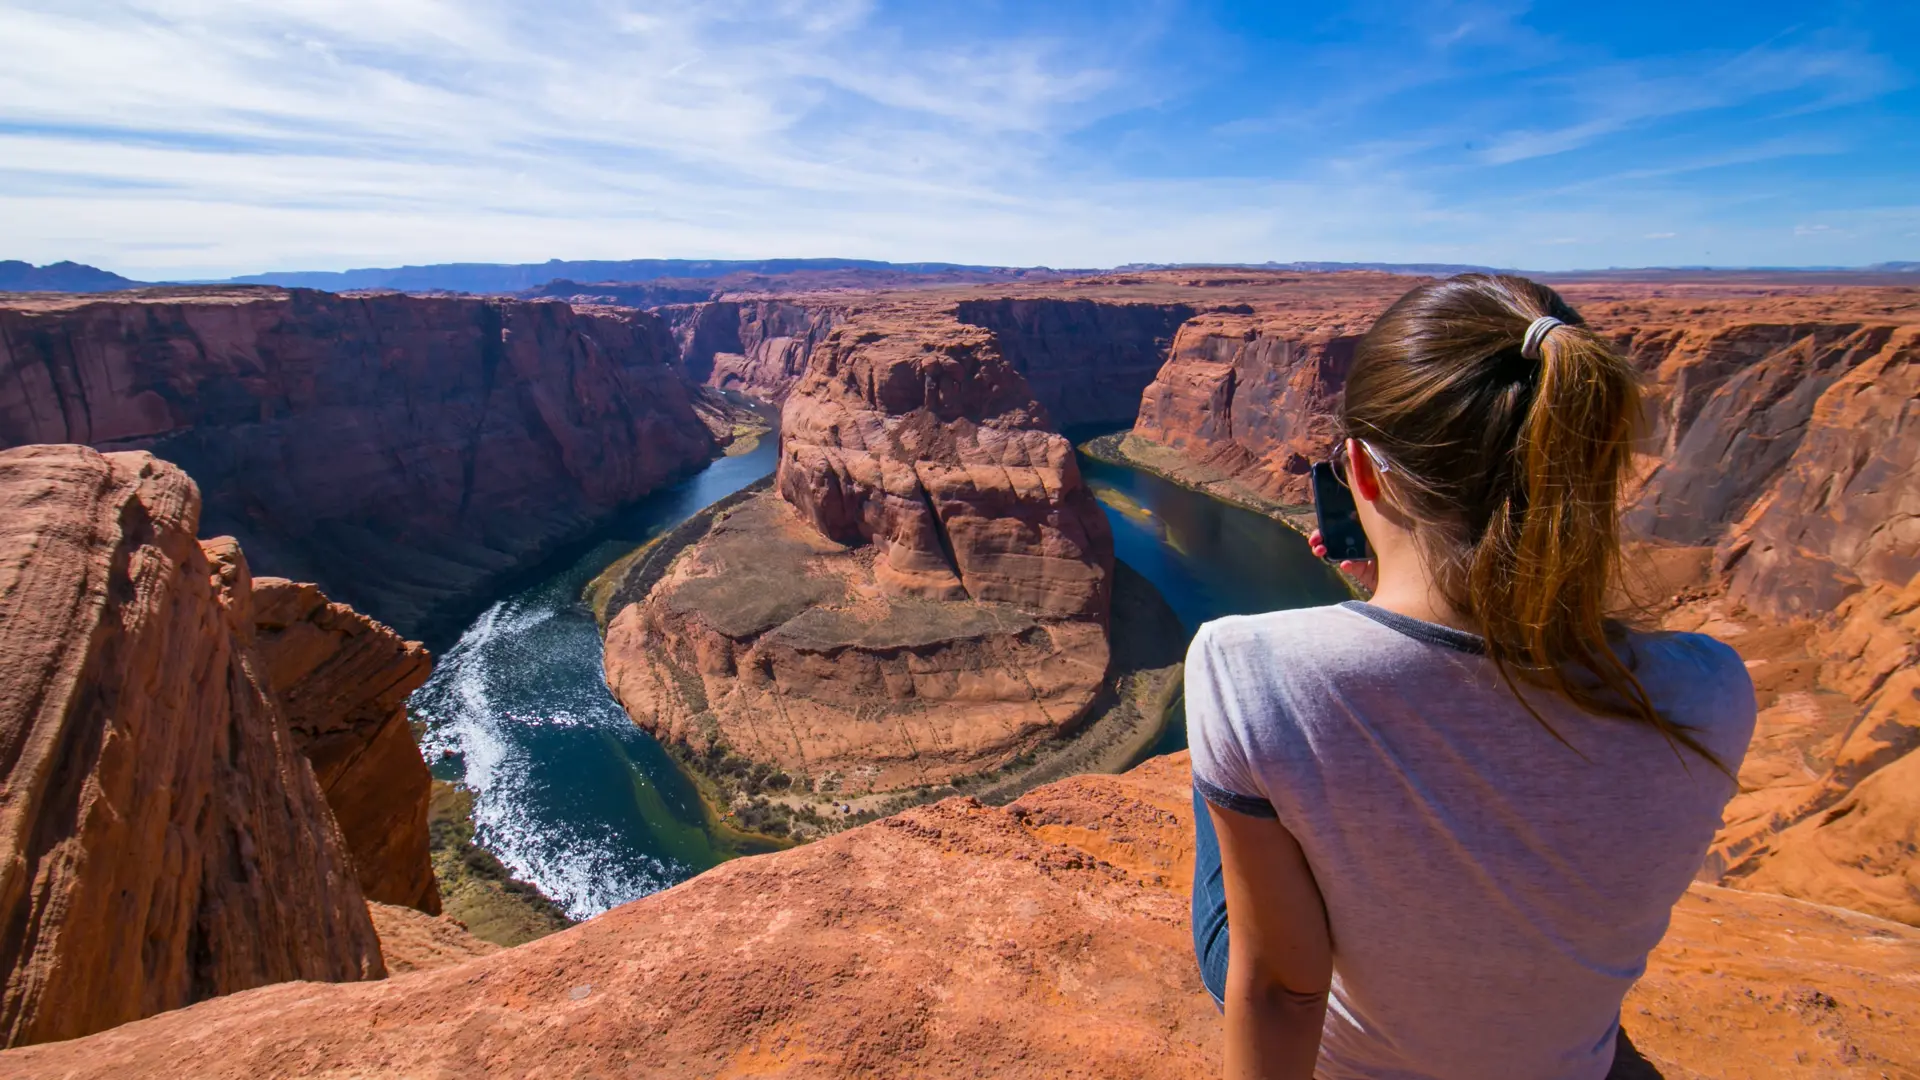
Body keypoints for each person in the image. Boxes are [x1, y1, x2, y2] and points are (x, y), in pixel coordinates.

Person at [1185, 274, 1755, 1080]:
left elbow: (1284, 989)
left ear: (1361, 471)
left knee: (1240, 761)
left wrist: (1375, 616)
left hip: (1361, 1055)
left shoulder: (1250, 664)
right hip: (1562, 1056)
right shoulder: (1713, 689)